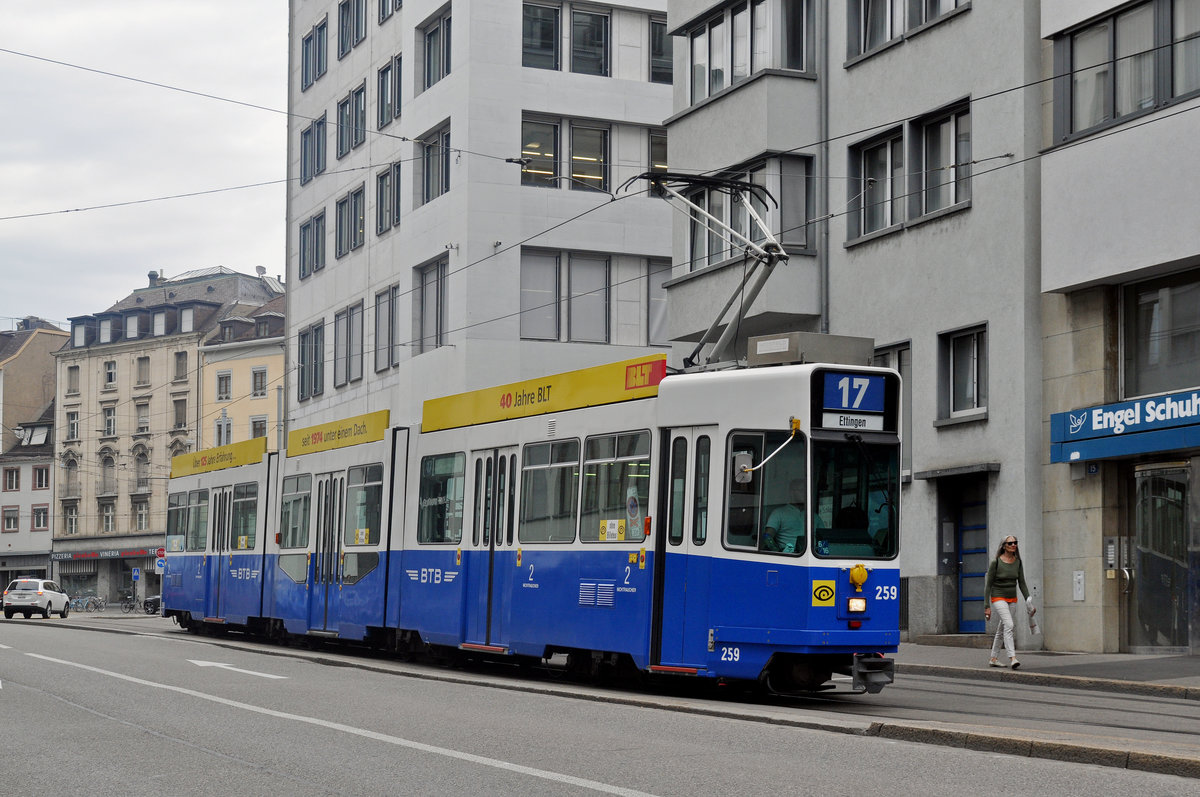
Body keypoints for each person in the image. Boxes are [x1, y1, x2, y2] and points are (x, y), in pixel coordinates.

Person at [983, 536, 1034, 669]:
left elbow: (1022, 583)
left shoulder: (1018, 562)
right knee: (1010, 625)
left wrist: (1029, 602)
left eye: (1015, 543)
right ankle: (1013, 658)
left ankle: (993, 658)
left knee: (1002, 629)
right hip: (998, 597)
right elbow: (988, 585)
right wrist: (986, 606)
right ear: (1004, 546)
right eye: (1010, 543)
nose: (1013, 545)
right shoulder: (996, 562)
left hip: (1012, 599)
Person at [763, 479, 805, 553]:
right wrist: (779, 552)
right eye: (801, 490)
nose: (805, 493)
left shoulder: (814, 517)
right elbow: (767, 537)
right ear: (791, 492)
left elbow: (824, 537)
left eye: (806, 490)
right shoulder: (779, 513)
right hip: (788, 556)